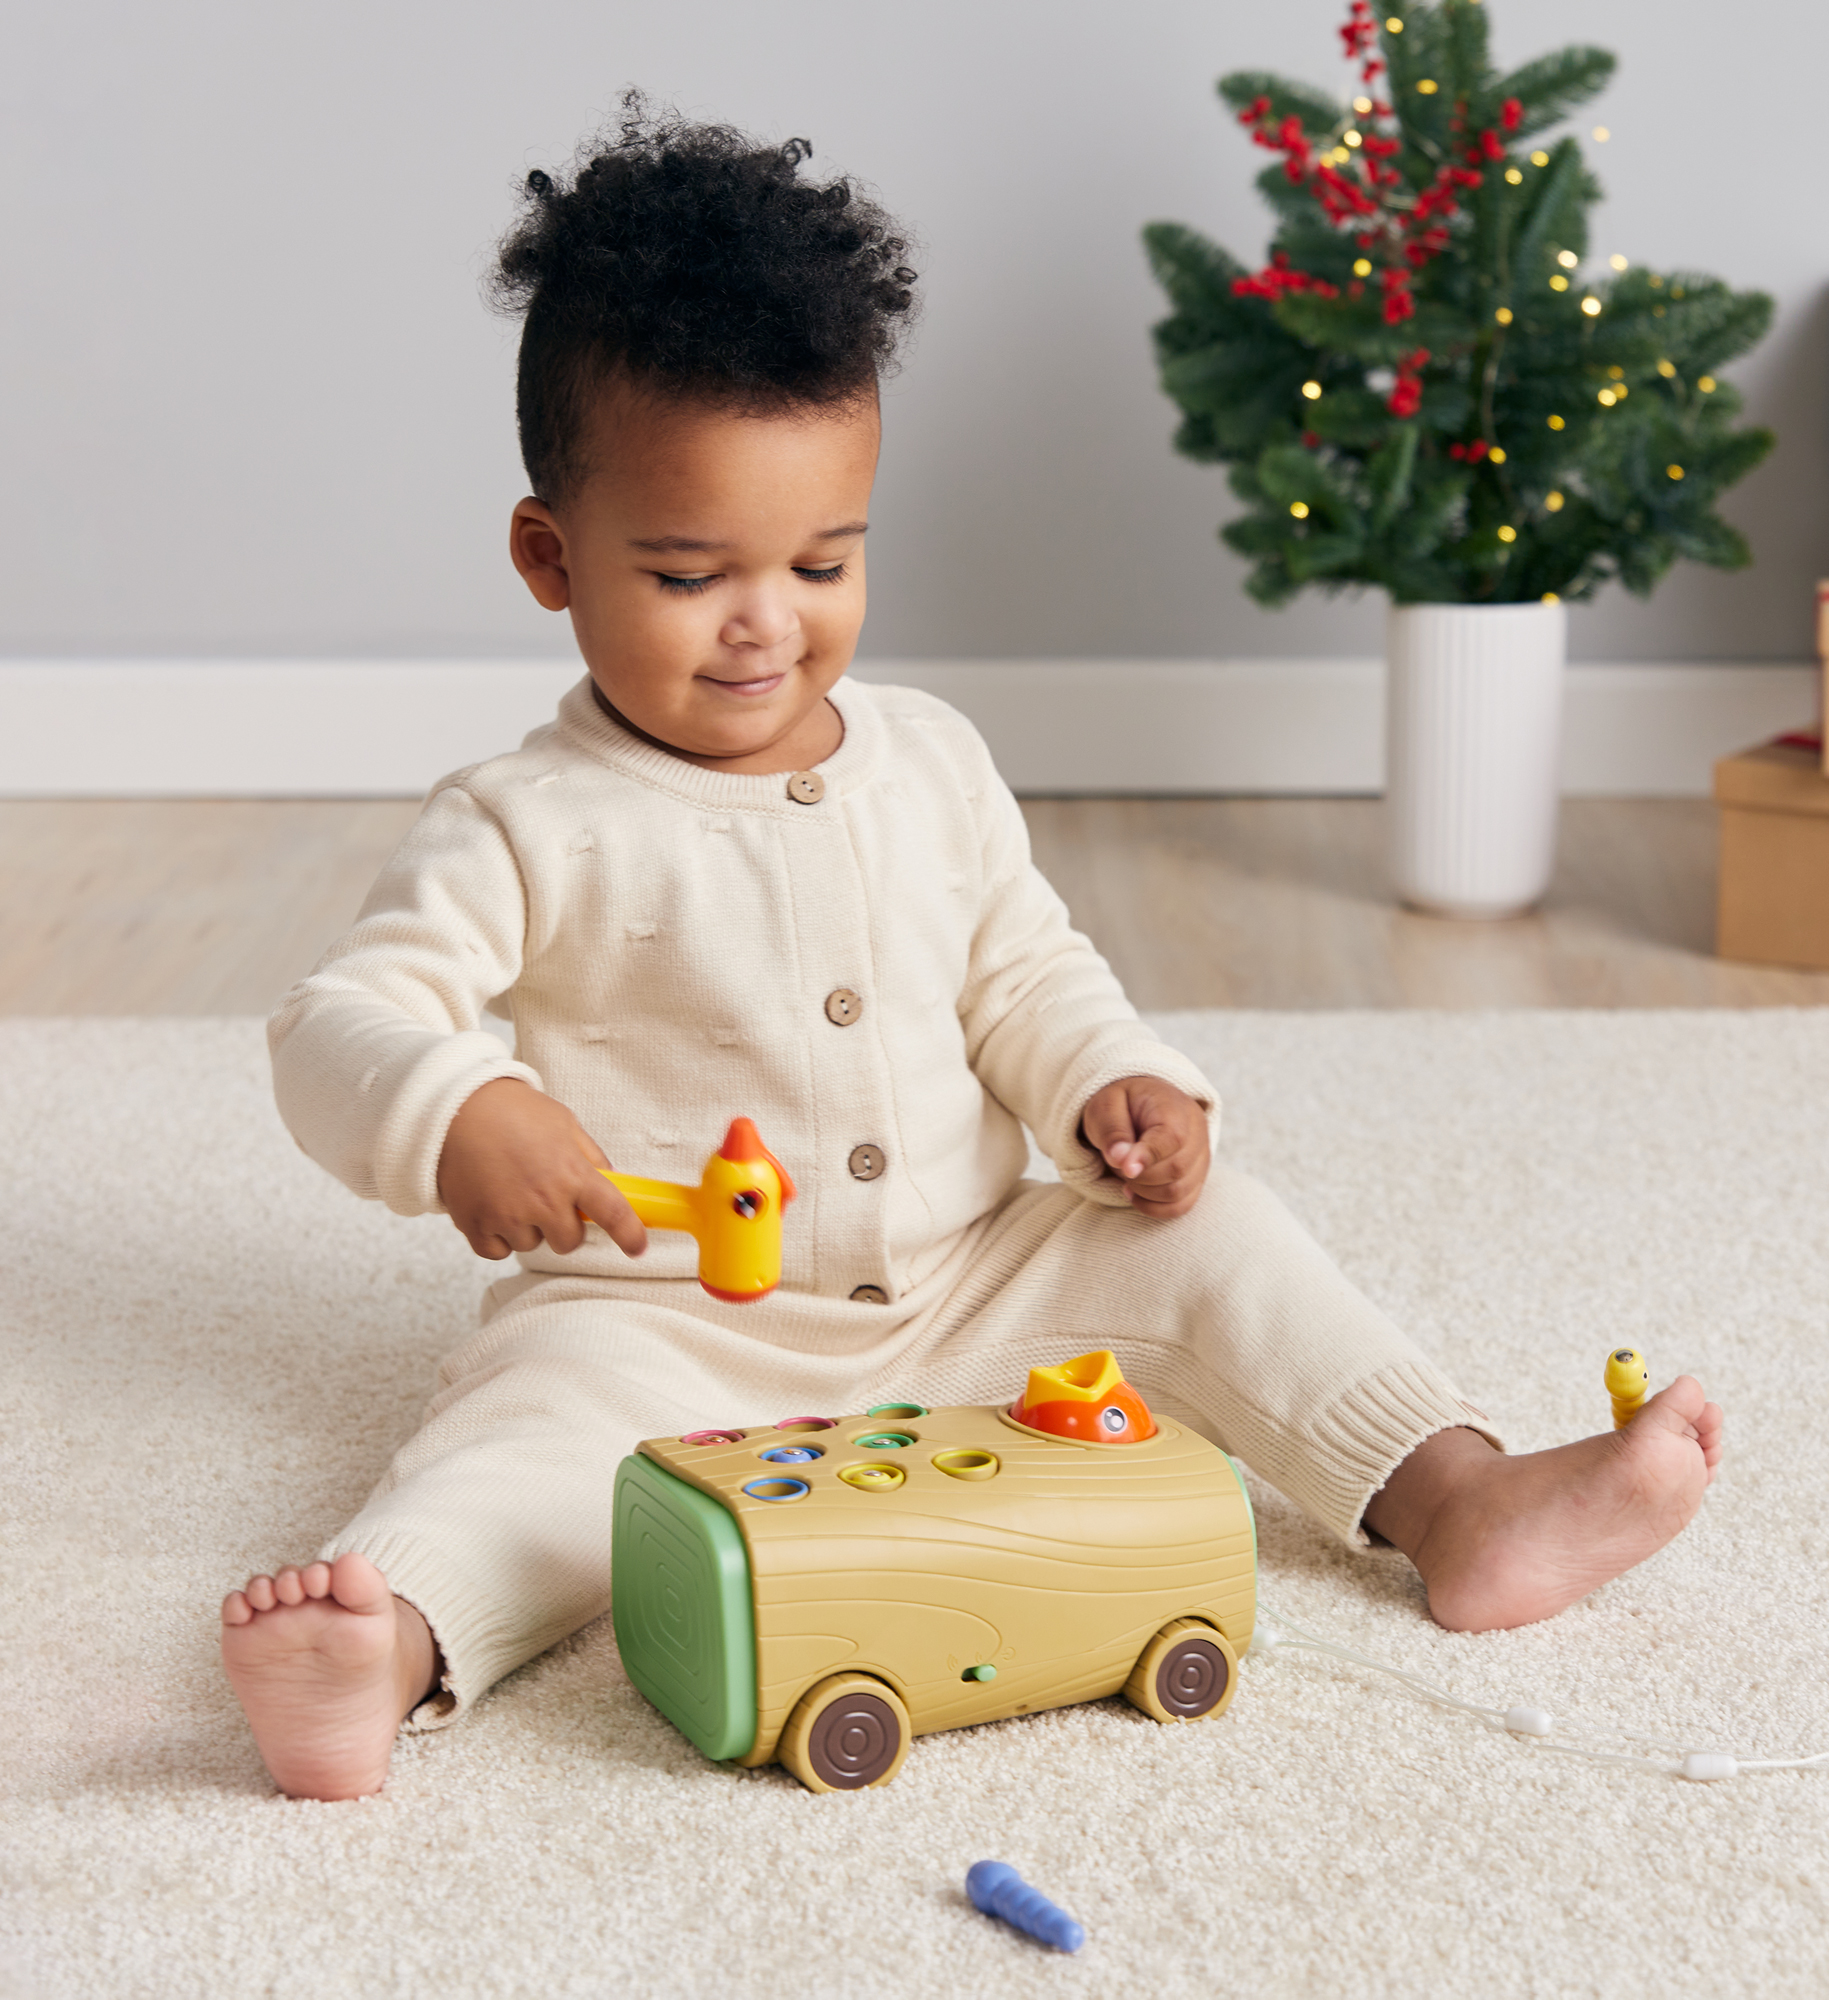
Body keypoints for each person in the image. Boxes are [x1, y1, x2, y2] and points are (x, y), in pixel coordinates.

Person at [221, 103, 1723, 1802]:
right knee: (533, 1455)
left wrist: (1115, 1081)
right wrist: (450, 1108)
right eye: (690, 571)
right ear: (551, 560)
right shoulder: (522, 819)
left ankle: (1461, 1502)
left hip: (984, 1286)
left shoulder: (927, 759)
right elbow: (337, 1016)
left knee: (1219, 1246)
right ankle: (387, 1645)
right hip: (658, 1331)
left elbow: (1023, 969)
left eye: (824, 558)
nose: (766, 621)